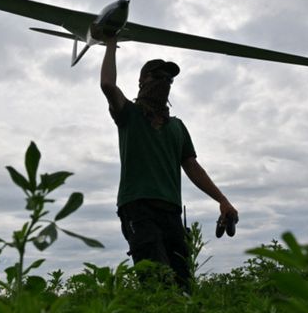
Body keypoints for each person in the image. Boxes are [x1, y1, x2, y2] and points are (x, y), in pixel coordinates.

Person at [100, 36, 238, 292]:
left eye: (169, 79)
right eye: (157, 76)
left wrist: (222, 200)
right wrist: (110, 41)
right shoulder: (128, 115)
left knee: (183, 285)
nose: (164, 81)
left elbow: (193, 168)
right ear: (142, 81)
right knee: (157, 284)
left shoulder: (177, 127)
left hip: (171, 214)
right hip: (138, 209)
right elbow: (108, 84)